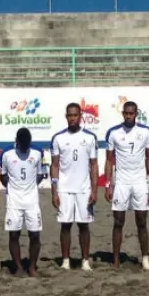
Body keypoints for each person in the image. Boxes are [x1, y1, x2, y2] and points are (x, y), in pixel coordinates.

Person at [103, 101, 149, 270]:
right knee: (118, 221)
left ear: (136, 114)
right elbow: (109, 160)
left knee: (142, 221)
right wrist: (107, 184)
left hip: (140, 181)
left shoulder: (145, 132)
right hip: (121, 182)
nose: (128, 116)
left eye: (131, 113)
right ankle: (116, 259)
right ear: (123, 114)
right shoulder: (113, 133)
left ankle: (145, 259)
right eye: (126, 113)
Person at [50, 102, 99, 271]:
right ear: (66, 117)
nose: (72, 118)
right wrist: (54, 191)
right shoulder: (58, 138)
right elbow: (54, 166)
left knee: (84, 225)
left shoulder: (90, 137)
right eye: (69, 115)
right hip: (64, 188)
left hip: (84, 189)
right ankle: (65, 260)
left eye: (75, 115)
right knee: (65, 225)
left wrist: (94, 189)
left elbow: (94, 165)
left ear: (80, 116)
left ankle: (85, 260)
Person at [1, 127, 45, 276]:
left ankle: (32, 267)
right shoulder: (7, 153)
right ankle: (18, 266)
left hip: (32, 201)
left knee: (35, 235)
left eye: (27, 144)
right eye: (22, 144)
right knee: (14, 234)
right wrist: (14, 188)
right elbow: (3, 176)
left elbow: (40, 174)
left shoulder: (37, 153)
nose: (25, 147)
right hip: (14, 200)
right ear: (17, 141)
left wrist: (29, 187)